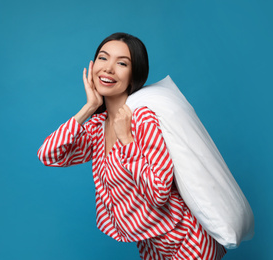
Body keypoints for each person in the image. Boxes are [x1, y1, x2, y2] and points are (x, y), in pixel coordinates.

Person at [37, 32, 226, 260]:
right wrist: (88, 108)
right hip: (150, 245)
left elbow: (158, 194)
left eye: (122, 63)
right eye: (103, 58)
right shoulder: (97, 127)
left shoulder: (143, 118)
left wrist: (126, 140)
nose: (108, 68)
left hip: (186, 241)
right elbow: (49, 155)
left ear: (134, 74)